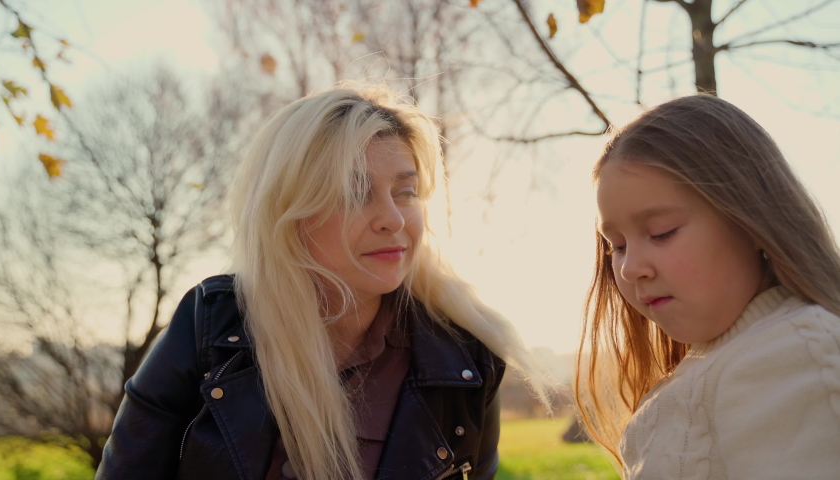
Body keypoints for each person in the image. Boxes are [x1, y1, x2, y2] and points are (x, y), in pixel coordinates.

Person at [97, 84, 553, 480]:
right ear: (290, 212)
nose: (393, 219)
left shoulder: (468, 360)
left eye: (406, 191)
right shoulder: (211, 326)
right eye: (355, 192)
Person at [575, 94, 840, 479]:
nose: (630, 268)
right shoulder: (709, 368)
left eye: (661, 233)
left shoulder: (797, 353)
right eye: (617, 246)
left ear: (750, 219)